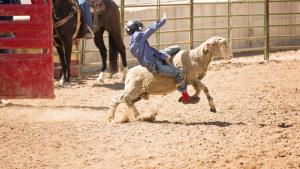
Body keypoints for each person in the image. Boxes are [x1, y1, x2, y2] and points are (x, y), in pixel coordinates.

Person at [125, 13, 196, 104]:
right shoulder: (138, 36)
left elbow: (151, 51)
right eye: (139, 27)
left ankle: (168, 62)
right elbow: (151, 30)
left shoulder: (134, 45)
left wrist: (163, 55)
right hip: (156, 66)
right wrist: (162, 21)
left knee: (176, 48)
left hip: (154, 60)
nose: (141, 29)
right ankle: (185, 98)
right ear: (136, 29)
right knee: (180, 72)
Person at [0, 0, 20, 105]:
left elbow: (19, 6)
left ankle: (3, 94)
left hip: (7, 33)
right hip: (7, 33)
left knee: (6, 66)